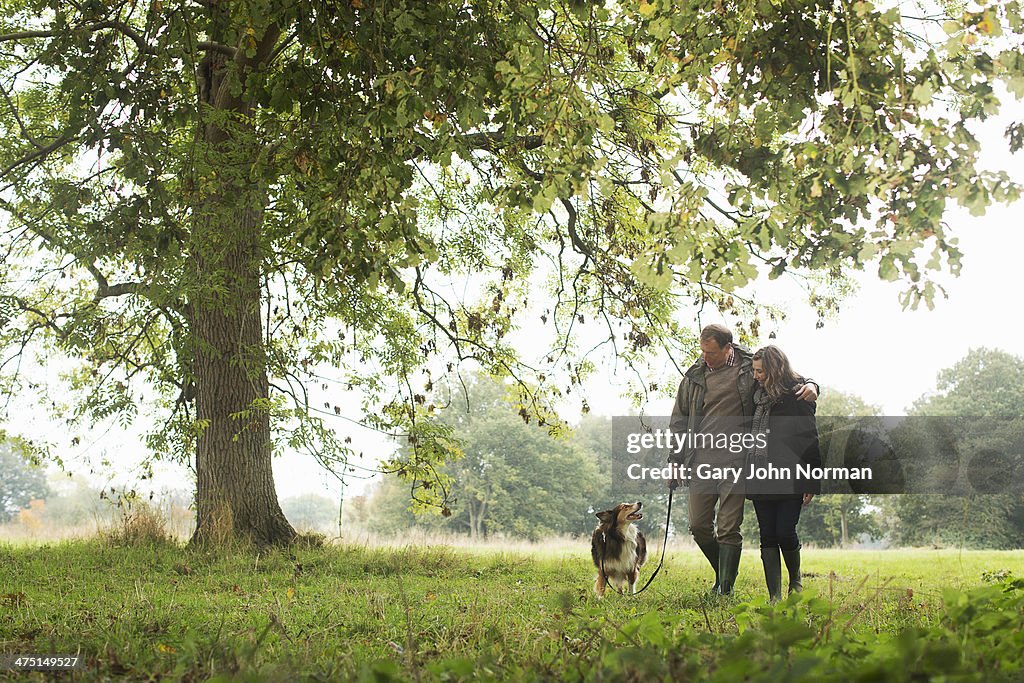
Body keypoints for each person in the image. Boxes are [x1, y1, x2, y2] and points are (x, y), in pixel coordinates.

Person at [668, 325, 818, 596]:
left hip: (738, 462)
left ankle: (725, 588)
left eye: (711, 353)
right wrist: (674, 460)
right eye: (702, 351)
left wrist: (812, 384)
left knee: (728, 527)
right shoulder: (694, 377)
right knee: (698, 525)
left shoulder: (749, 369)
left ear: (728, 348)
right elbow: (679, 422)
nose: (705, 358)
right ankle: (722, 573)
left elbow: (784, 376)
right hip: (700, 462)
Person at [748, 345, 822, 602]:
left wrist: (811, 479)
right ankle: (774, 596)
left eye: (760, 371)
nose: (755, 375)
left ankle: (796, 580)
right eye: (754, 370)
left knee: (785, 532)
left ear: (774, 370)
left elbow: (809, 438)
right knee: (767, 534)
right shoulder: (756, 395)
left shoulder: (797, 395)